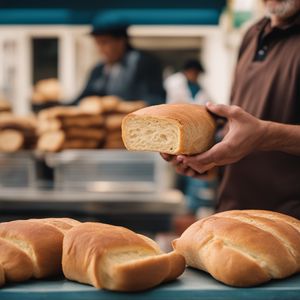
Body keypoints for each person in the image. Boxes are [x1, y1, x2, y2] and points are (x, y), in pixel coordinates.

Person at [162, 0, 300, 219]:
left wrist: (266, 135)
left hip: (289, 224)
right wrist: (211, 161)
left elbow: (259, 132)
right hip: (232, 215)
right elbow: (240, 124)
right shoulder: (252, 34)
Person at [71, 23, 165, 106]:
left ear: (121, 41)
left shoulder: (142, 63)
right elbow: (84, 98)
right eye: (97, 43)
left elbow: (156, 100)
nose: (100, 49)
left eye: (104, 42)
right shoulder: (98, 69)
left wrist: (125, 107)